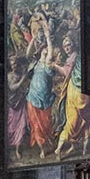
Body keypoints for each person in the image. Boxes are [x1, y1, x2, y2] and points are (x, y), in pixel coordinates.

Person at [25, 13, 55, 159]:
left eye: (46, 49)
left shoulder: (48, 62)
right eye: (43, 48)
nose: (45, 50)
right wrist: (34, 37)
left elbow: (50, 47)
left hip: (45, 99)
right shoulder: (35, 63)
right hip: (33, 97)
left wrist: (47, 35)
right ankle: (42, 149)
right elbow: (28, 53)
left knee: (46, 124)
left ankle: (48, 140)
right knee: (35, 125)